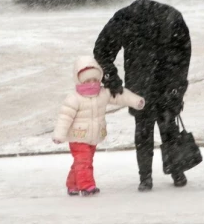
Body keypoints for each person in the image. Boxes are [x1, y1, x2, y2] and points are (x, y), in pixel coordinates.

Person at [93, 0, 191, 192]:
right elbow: (183, 56)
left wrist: (111, 78)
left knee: (146, 129)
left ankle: (147, 178)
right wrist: (111, 78)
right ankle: (175, 171)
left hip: (146, 82)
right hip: (154, 83)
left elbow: (102, 50)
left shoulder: (126, 18)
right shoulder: (168, 18)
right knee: (166, 126)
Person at [52, 56, 145, 196]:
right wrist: (59, 135)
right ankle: (87, 186)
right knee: (84, 161)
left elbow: (120, 96)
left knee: (82, 162)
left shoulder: (103, 93)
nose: (92, 83)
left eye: (95, 80)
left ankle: (73, 184)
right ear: (80, 80)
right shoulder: (74, 98)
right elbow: (64, 117)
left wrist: (136, 101)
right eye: (88, 81)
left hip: (93, 136)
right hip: (78, 137)